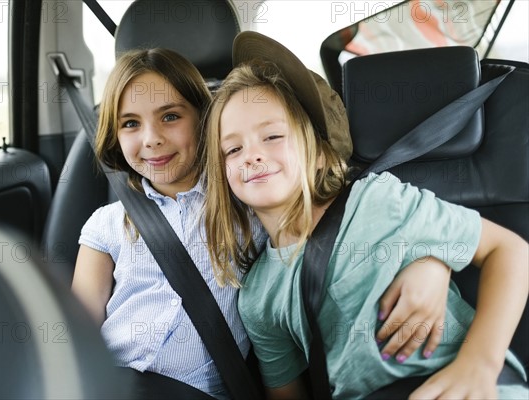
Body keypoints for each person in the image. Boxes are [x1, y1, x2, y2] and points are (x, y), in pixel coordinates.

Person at [72, 48, 456, 398]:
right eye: (130, 124)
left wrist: (430, 260)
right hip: (110, 384)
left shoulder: (247, 200)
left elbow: (341, 221)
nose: (152, 138)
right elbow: (76, 333)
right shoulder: (107, 224)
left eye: (170, 116)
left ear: (205, 123)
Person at [203, 31, 529, 399]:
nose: (251, 155)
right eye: (232, 148)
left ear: (322, 154)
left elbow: (511, 251)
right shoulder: (258, 298)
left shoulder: (378, 200)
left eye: (273, 136)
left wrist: (480, 362)